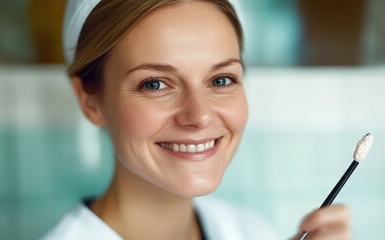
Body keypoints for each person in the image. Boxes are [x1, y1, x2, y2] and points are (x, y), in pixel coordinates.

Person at [41, 0, 351, 239]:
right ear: (90, 101)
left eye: (221, 80)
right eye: (155, 84)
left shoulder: (248, 230)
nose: (199, 116)